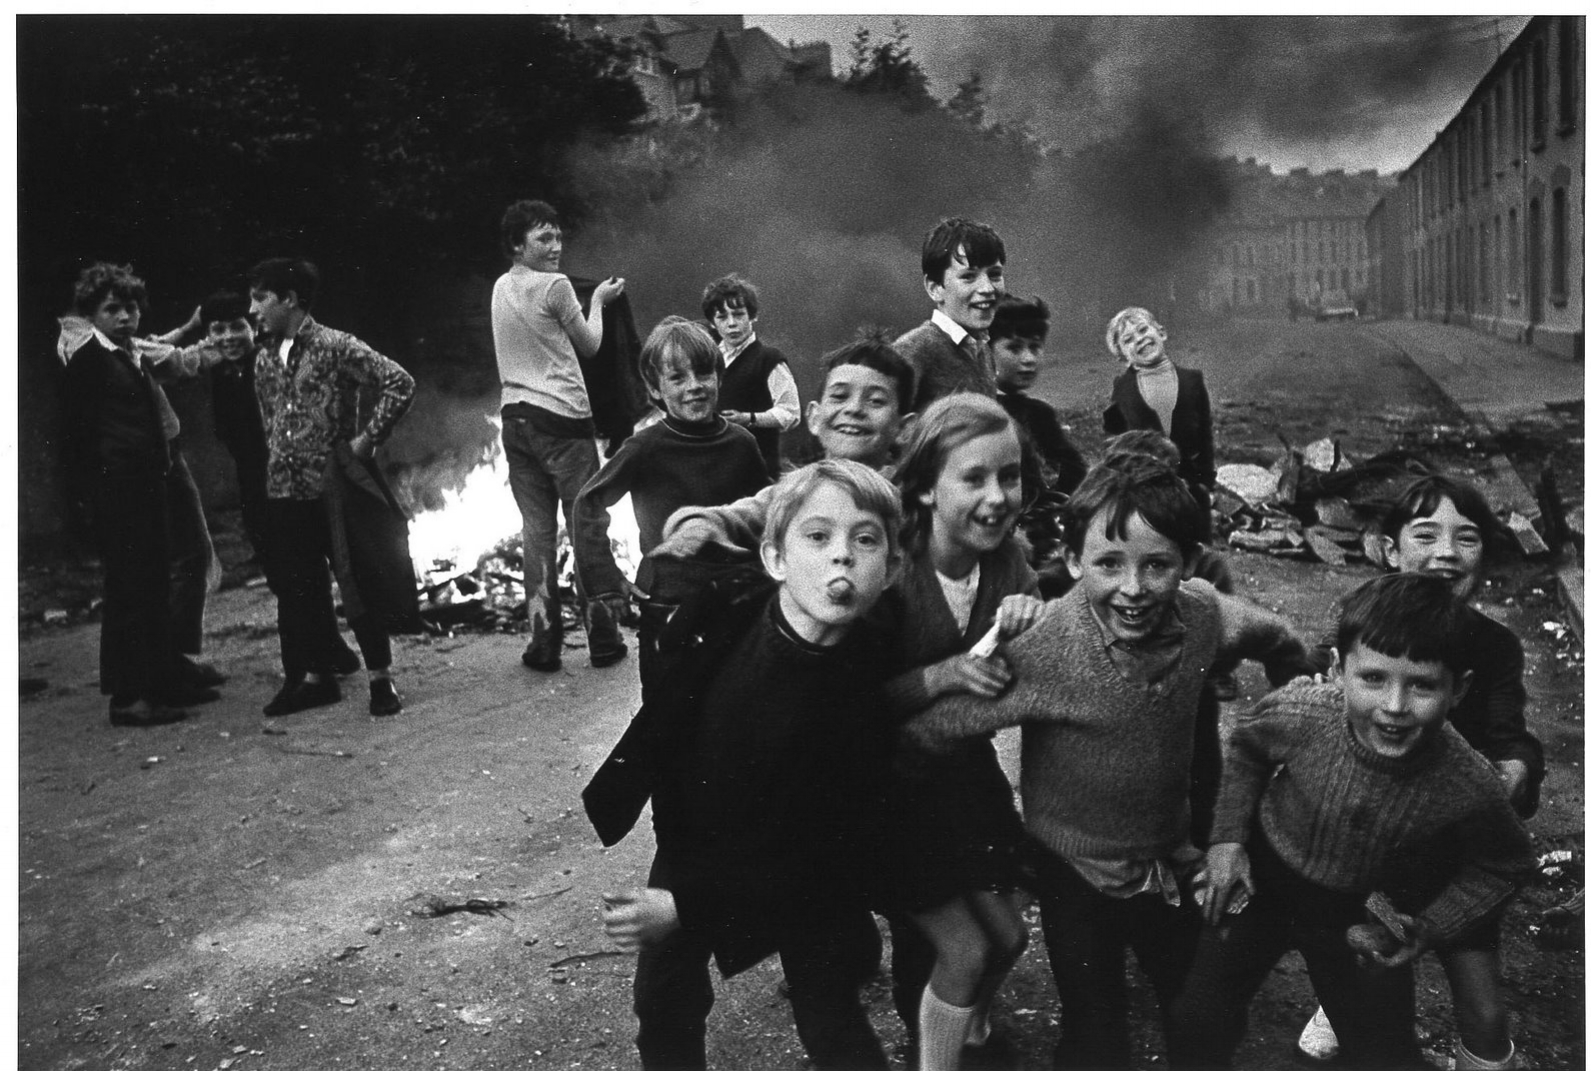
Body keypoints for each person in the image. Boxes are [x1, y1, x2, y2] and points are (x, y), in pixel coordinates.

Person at [902, 459, 1315, 1069]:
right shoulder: (1048, 646)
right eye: (1108, 563)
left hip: (1165, 856)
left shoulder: (1202, 614)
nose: (1133, 587)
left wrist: (1296, 714)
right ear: (1073, 561)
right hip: (1074, 871)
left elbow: (1279, 639)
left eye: (1157, 564)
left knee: (1200, 1015)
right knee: (1096, 1029)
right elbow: (934, 728)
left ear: (1190, 562)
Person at [586, 459, 904, 1071]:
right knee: (665, 999)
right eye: (818, 537)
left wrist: (685, 906)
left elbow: (820, 849)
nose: (842, 556)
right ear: (776, 560)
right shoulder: (730, 604)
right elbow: (674, 693)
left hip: (796, 869)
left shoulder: (859, 700)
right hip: (696, 836)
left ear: (889, 571)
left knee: (827, 1004)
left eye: (865, 540)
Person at [1168, 573, 1535, 1070]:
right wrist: (1227, 841)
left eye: (1423, 685)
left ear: (1458, 689)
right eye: (1374, 678)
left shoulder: (1465, 779)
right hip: (1263, 881)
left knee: (1385, 1058)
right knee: (1197, 1023)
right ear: (1339, 671)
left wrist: (1431, 925)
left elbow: (1505, 864)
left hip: (1358, 914)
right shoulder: (1303, 711)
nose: (1394, 706)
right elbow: (1249, 747)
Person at [1294, 474, 1545, 1070]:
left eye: (1467, 538)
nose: (1445, 553)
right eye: (1425, 534)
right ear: (1388, 548)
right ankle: (1338, 1001)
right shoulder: (1356, 621)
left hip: (1453, 851)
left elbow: (1511, 734)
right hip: (1367, 847)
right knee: (1369, 981)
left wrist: (1515, 770)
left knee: (1485, 1017)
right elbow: (1304, 688)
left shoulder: (1493, 646)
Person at [871, 393, 1044, 1071]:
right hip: (890, 793)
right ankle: (933, 1051)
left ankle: (964, 1024)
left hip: (963, 780)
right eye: (973, 478)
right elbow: (855, 704)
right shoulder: (891, 570)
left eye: (1009, 475)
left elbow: (1027, 666)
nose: (998, 496)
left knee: (1007, 939)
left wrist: (1033, 617)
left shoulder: (1008, 562)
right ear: (923, 486)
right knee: (963, 947)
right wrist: (939, 675)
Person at [60, 262, 227, 726]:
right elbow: (75, 436)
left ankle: (159, 680)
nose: (124, 316)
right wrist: (87, 502)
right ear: (91, 313)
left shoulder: (125, 352)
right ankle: (128, 697)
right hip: (119, 487)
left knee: (152, 582)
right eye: (112, 308)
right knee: (130, 590)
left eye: (131, 307)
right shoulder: (90, 359)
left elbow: (163, 357)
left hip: (145, 482)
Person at [249, 257, 415, 717]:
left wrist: (364, 441)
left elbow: (399, 383)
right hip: (284, 486)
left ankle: (381, 678)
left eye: (261, 298)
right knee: (299, 585)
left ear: (290, 299)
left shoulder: (335, 345)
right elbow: (270, 419)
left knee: (354, 575)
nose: (253, 308)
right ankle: (316, 677)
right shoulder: (263, 356)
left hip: (332, 482)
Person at [571, 316, 768, 689]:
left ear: (718, 378)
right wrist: (607, 581)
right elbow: (589, 503)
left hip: (737, 602)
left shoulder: (743, 444)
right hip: (669, 604)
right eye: (677, 378)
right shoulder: (644, 447)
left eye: (703, 374)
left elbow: (765, 516)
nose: (694, 387)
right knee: (667, 717)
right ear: (656, 389)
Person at [490, 198, 626, 672]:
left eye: (558, 237)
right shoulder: (557, 286)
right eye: (543, 238)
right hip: (563, 422)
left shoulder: (500, 287)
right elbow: (590, 345)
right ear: (516, 244)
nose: (555, 246)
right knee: (585, 526)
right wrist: (600, 304)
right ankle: (604, 638)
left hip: (515, 423)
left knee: (537, 534)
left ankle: (543, 643)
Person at [651, 332, 916, 562]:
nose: (854, 409)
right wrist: (698, 525)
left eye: (876, 401)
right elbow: (742, 515)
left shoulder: (912, 503)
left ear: (904, 429)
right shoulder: (794, 492)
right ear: (814, 417)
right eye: (839, 396)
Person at [1101, 306, 1215, 535]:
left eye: (1143, 330)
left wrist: (1207, 484)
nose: (1140, 339)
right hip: (1144, 490)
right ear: (1123, 357)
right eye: (1129, 340)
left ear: (1161, 332)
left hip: (1191, 487)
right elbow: (1113, 448)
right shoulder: (1122, 392)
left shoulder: (1192, 381)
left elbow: (1205, 437)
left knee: (1194, 544)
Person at [894, 218, 1006, 413]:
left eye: (994, 274)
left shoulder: (981, 351)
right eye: (968, 277)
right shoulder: (914, 350)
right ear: (935, 288)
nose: (987, 288)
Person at [194, 290, 272, 563]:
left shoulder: (270, 362)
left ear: (255, 327)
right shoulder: (220, 371)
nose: (228, 337)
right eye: (218, 330)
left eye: (238, 327)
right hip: (251, 477)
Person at [700, 274, 800, 479]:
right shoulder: (708, 359)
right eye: (722, 317)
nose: (731, 324)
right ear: (712, 322)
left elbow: (790, 413)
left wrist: (749, 419)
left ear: (752, 316)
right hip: (712, 467)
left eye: (738, 315)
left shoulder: (768, 359)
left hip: (755, 469)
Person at [990, 294, 1086, 498]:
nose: (1028, 358)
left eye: (1035, 347)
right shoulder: (975, 410)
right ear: (986, 351)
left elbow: (1075, 471)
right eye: (1014, 348)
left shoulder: (1039, 414)